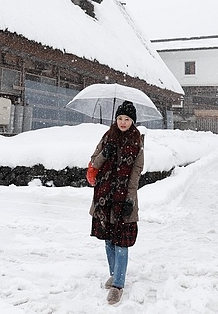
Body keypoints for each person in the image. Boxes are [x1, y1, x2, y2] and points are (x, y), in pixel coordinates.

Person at [88, 100, 144, 305]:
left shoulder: (137, 142)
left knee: (122, 241)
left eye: (127, 119)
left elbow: (135, 173)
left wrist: (129, 198)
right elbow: (94, 162)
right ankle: (114, 274)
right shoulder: (107, 137)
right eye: (120, 118)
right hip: (105, 196)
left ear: (132, 121)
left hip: (123, 198)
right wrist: (106, 152)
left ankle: (118, 284)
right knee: (108, 239)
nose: (122, 122)